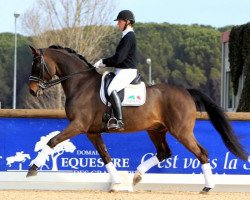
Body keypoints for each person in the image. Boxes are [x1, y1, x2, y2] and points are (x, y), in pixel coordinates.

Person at [93, 10, 137, 131]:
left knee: (111, 88)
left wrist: (103, 62)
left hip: (127, 71)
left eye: (120, 21)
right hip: (121, 70)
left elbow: (119, 58)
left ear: (127, 22)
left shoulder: (129, 36)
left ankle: (119, 121)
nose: (118, 24)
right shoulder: (126, 36)